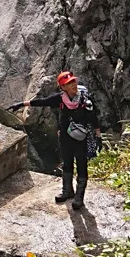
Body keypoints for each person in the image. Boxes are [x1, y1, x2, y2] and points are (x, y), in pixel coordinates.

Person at [53, 66, 98, 204]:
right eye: (69, 83)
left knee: (81, 165)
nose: (73, 85)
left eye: (73, 81)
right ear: (63, 87)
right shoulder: (61, 99)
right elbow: (42, 102)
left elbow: (93, 117)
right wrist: (22, 104)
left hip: (81, 138)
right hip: (65, 138)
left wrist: (98, 135)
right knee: (67, 163)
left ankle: (79, 198)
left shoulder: (85, 99)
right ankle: (67, 191)